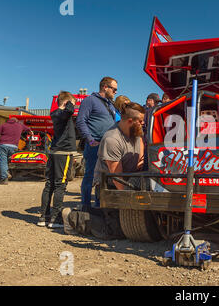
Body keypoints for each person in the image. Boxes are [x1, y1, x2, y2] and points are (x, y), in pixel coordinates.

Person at [61, 102, 146, 238]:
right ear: (130, 121)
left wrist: (140, 159)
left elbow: (140, 144)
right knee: (116, 229)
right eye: (141, 121)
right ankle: (72, 218)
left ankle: (87, 211)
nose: (143, 124)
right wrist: (133, 205)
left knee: (123, 219)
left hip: (128, 180)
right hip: (110, 184)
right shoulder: (112, 139)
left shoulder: (135, 131)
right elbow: (118, 180)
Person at [76, 77, 117, 209]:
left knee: (103, 178)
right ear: (105, 87)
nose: (115, 92)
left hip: (107, 146)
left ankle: (100, 205)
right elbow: (81, 121)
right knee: (90, 175)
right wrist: (90, 139)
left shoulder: (110, 104)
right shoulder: (90, 100)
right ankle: (86, 205)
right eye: (114, 89)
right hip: (95, 145)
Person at [38, 91, 77, 228]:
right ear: (67, 103)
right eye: (73, 103)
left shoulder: (54, 113)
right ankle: (55, 219)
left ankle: (44, 216)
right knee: (60, 184)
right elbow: (70, 111)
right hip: (63, 152)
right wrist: (71, 104)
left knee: (50, 184)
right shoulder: (63, 113)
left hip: (54, 152)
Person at [0, 117, 32, 184]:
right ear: (16, 121)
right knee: (9, 161)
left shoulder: (4, 125)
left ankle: (4, 178)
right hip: (14, 147)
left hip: (3, 145)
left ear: (8, 120)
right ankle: (8, 173)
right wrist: (30, 132)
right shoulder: (20, 125)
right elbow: (28, 129)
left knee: (3, 162)